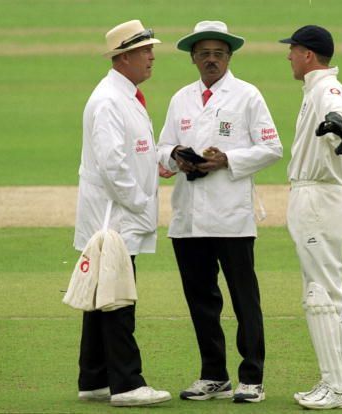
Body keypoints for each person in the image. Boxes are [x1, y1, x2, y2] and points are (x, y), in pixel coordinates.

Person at [158, 20, 282, 404]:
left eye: (218, 54)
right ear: (193, 58)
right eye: (204, 54)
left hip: (232, 216)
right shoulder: (181, 98)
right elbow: (162, 149)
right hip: (189, 216)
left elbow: (272, 148)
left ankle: (252, 378)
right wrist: (178, 157)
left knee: (245, 299)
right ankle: (214, 375)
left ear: (229, 57)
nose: (211, 60)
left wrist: (228, 159)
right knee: (201, 300)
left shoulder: (248, 96)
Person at [72, 19, 171, 407]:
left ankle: (94, 377)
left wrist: (166, 161)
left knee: (102, 292)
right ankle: (128, 384)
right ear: (124, 56)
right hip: (115, 215)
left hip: (116, 213)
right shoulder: (110, 100)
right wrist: (141, 204)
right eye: (146, 51)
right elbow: (113, 165)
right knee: (117, 297)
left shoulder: (123, 94)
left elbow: (136, 153)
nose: (151, 57)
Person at [278, 25, 342, 410]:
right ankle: (335, 382)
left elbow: (338, 113)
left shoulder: (325, 88)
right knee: (330, 293)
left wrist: (337, 124)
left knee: (321, 294)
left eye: (293, 50)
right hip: (317, 196)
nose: (289, 57)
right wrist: (338, 127)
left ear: (308, 54)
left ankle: (337, 387)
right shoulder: (316, 87)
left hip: (317, 197)